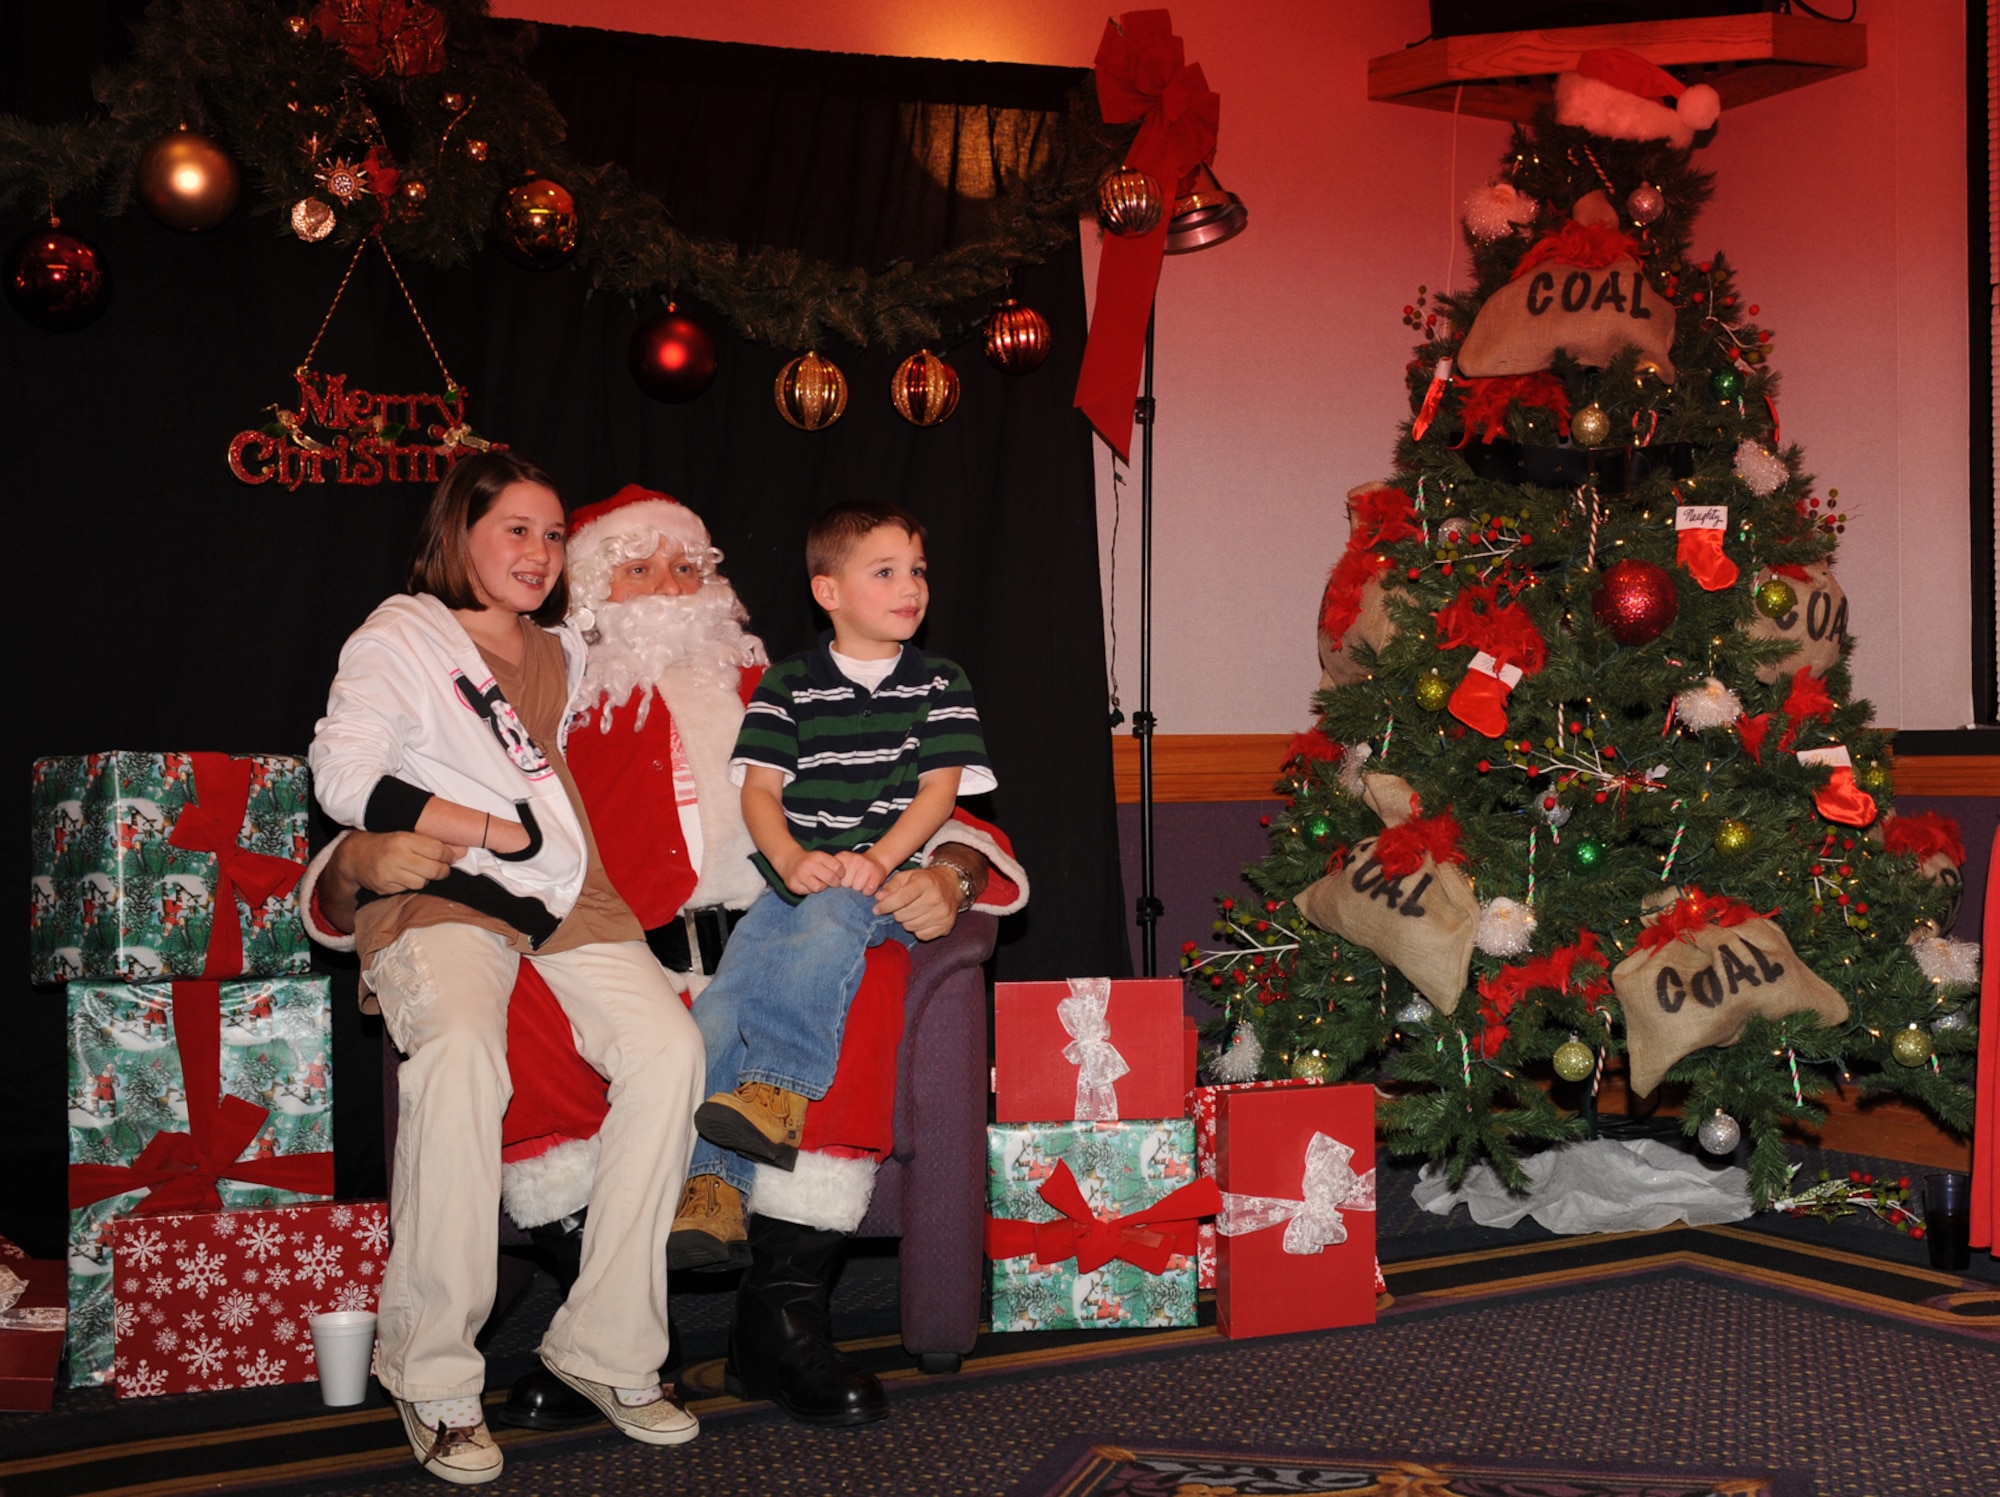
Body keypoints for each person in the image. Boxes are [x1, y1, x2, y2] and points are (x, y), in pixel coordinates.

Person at [304, 486, 1025, 1431]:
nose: (672, 589)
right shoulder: (551, 693)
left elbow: (927, 796)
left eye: (689, 567)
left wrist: (954, 872)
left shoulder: (786, 686)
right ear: (590, 590)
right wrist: (350, 865)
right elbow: (424, 786)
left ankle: (782, 1316)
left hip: (771, 941)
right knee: (511, 991)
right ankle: (605, 1317)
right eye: (638, 569)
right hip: (612, 953)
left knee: (863, 973)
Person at [307, 452, 705, 1485]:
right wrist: (478, 825)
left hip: (564, 894)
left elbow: (672, 639)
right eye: (516, 529)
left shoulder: (565, 649)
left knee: (669, 1051)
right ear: (459, 533)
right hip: (441, 889)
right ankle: (432, 1371)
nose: (539, 551)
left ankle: (607, 1345)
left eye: (553, 533)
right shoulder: (401, 634)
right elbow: (343, 775)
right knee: (460, 1052)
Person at [677, 499, 996, 1248]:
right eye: (885, 572)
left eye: (917, 570)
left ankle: (779, 1091)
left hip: (885, 878)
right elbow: (760, 792)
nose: (910, 586)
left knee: (830, 916)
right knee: (720, 1009)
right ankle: (713, 1190)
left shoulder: (940, 682)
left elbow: (938, 792)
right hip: (800, 879)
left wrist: (879, 859)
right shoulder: (787, 684)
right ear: (828, 591)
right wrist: (790, 858)